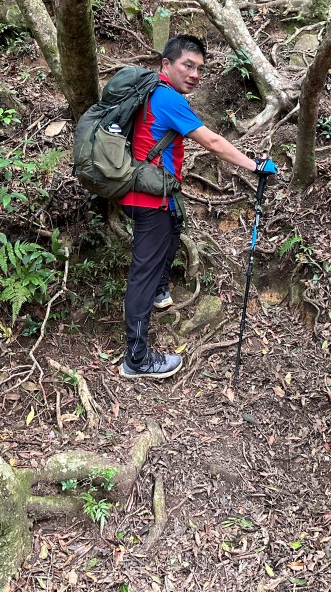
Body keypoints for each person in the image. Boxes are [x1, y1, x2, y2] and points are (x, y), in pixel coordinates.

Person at [119, 34, 278, 380]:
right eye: (187, 65)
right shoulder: (167, 98)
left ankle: (160, 290)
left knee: (175, 228)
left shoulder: (150, 92)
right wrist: (254, 165)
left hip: (150, 193)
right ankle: (136, 359)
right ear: (166, 64)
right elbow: (213, 142)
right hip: (149, 200)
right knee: (142, 275)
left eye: (200, 68)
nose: (194, 74)